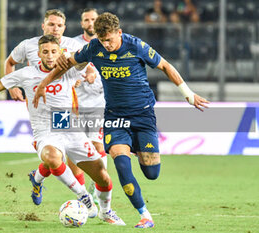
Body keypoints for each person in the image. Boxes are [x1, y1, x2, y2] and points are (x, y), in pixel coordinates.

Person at [32, 12, 209, 228]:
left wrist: (188, 94)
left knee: (151, 173)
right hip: (115, 116)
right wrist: (43, 84)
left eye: (109, 39)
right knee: (121, 165)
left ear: (120, 33)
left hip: (143, 115)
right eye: (102, 40)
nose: (105, 44)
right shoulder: (93, 47)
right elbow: (66, 64)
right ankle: (145, 215)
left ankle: (135, 147)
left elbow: (165, 66)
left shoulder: (136, 46)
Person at [0, 35, 125, 225]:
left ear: (61, 52)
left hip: (69, 126)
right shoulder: (26, 74)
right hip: (45, 131)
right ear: (38, 53)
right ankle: (83, 196)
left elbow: (85, 59)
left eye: (53, 51)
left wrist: (90, 65)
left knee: (104, 179)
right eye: (45, 52)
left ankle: (105, 212)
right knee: (52, 157)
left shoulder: (69, 69)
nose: (50, 56)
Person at [4, 9, 91, 205]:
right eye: (51, 24)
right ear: (43, 26)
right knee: (59, 154)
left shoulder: (73, 45)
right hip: (40, 109)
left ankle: (39, 178)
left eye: (59, 25)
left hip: (65, 106)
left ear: (65, 28)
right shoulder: (28, 45)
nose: (55, 28)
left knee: (63, 155)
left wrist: (86, 76)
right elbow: (10, 62)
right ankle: (85, 200)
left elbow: (86, 67)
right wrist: (12, 88)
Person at [73, 8, 106, 205]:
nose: (90, 23)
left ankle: (98, 184)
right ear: (82, 23)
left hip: (98, 104)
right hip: (74, 105)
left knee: (97, 145)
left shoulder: (107, 42)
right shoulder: (73, 44)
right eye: (86, 20)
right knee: (71, 151)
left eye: (94, 19)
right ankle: (82, 194)